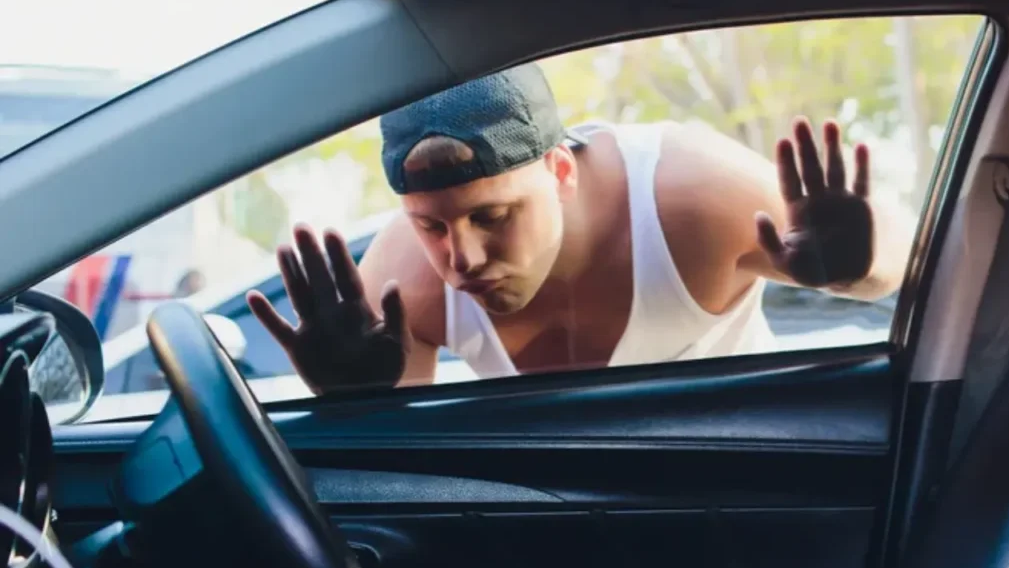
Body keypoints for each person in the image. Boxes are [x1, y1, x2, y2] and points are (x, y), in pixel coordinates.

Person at [247, 64, 911, 394]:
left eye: (491, 216)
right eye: (430, 226)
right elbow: (401, 474)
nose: (461, 259)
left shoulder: (693, 197)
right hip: (560, 524)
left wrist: (862, 262)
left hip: (744, 490)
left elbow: (908, 269)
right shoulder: (404, 280)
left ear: (561, 170)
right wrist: (355, 403)